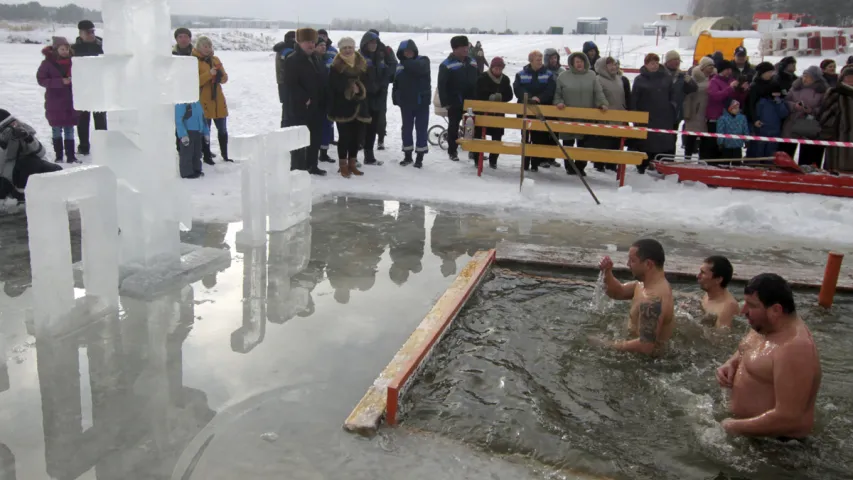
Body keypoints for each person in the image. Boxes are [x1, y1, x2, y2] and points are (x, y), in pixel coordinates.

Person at [716, 273, 821, 439]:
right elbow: (745, 349)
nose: (743, 311)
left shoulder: (794, 349)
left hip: (777, 449)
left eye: (751, 305)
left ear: (776, 310)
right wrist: (731, 362)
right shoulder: (764, 324)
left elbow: (789, 418)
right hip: (748, 433)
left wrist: (731, 426)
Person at [593, 239, 675, 356]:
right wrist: (607, 272)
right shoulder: (643, 285)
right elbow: (617, 292)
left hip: (647, 364)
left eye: (632, 260)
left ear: (648, 264)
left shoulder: (652, 299)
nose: (628, 264)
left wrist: (606, 344)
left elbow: (645, 347)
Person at [554, 52, 608, 176]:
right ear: (572, 63)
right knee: (568, 143)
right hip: (568, 116)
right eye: (577, 61)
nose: (579, 64)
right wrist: (559, 103)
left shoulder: (591, 75)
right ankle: (569, 166)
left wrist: (602, 103)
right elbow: (558, 95)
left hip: (586, 117)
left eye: (581, 61)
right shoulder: (563, 76)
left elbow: (598, 92)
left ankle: (580, 167)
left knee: (583, 144)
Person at [284, 28, 327, 176]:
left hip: (317, 105)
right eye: (308, 42)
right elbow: (290, 84)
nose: (311, 45)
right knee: (299, 139)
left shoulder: (316, 58)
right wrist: (304, 98)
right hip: (300, 107)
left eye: (313, 42)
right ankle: (298, 167)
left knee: (315, 137)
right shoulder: (292, 59)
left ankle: (312, 165)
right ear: (300, 42)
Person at [327, 36, 370, 178]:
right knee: (344, 137)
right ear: (340, 50)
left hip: (360, 106)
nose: (347, 50)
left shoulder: (362, 63)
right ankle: (343, 165)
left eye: (350, 47)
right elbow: (333, 85)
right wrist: (350, 88)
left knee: (356, 138)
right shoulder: (336, 66)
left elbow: (368, 82)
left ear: (354, 48)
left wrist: (360, 89)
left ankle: (352, 163)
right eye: (344, 48)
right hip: (342, 107)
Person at [0, 109, 63, 201]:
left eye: (13, 124)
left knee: (56, 170)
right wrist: (3, 145)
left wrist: (29, 139)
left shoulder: (22, 130)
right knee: (27, 165)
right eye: (8, 127)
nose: (13, 128)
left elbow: (41, 152)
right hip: (7, 175)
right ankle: (20, 196)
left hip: (29, 166)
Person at [36, 36, 79, 164]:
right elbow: (41, 80)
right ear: (56, 50)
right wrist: (60, 82)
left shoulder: (75, 62)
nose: (65, 51)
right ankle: (59, 155)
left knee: (70, 129)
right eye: (62, 49)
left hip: (70, 101)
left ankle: (71, 156)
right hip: (54, 101)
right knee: (56, 129)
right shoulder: (47, 64)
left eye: (67, 49)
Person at [437, 35, 479, 162]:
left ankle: (473, 151)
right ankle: (452, 151)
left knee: (471, 127)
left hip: (471, 100)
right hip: (454, 101)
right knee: (453, 127)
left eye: (466, 47)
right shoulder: (446, 64)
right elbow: (441, 85)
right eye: (462, 47)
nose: (466, 50)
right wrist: (446, 102)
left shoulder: (472, 61)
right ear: (455, 49)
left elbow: (478, 79)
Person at [513, 50, 556, 171]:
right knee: (525, 137)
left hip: (541, 110)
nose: (540, 62)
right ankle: (525, 163)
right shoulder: (521, 74)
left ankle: (535, 163)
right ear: (531, 61)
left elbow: (550, 89)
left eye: (541, 60)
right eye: (537, 60)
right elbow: (517, 88)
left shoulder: (548, 74)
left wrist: (540, 98)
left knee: (539, 137)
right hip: (525, 109)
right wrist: (529, 97)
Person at [631, 53, 674, 172]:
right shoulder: (640, 79)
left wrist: (671, 107)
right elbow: (634, 98)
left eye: (656, 62)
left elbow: (672, 95)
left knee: (662, 141)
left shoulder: (666, 78)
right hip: (646, 115)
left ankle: (659, 165)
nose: (654, 66)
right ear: (646, 64)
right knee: (645, 141)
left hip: (663, 115)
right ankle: (642, 165)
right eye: (651, 63)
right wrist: (635, 114)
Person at [392, 39, 431, 168]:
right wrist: (395, 97)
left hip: (421, 102)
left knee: (421, 129)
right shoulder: (399, 65)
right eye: (405, 52)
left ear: (414, 51)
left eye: (410, 51)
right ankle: (407, 156)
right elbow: (396, 83)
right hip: (406, 104)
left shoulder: (423, 60)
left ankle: (419, 157)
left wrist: (404, 61)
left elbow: (418, 69)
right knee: (407, 129)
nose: (407, 53)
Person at [193, 36, 231, 164]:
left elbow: (225, 79)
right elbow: (195, 81)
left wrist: (221, 76)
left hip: (218, 100)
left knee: (223, 129)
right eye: (205, 46)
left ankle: (225, 155)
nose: (208, 49)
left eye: (209, 46)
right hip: (204, 100)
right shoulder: (194, 62)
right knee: (205, 129)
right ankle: (207, 155)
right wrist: (209, 74)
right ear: (199, 47)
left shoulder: (215, 60)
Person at [359, 31, 395, 166]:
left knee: (373, 126)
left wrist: (382, 86)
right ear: (365, 43)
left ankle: (369, 156)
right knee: (361, 127)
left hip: (378, 96)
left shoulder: (381, 56)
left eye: (375, 43)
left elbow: (388, 72)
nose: (373, 45)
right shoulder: (359, 57)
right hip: (364, 97)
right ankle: (353, 156)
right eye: (371, 43)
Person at [781, 65, 828, 166]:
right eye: (804, 75)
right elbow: (785, 101)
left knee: (808, 154)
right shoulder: (795, 87)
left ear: (816, 78)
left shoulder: (822, 91)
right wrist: (794, 106)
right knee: (787, 151)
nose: (805, 78)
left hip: (810, 124)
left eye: (808, 76)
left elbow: (825, 107)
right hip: (792, 122)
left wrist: (812, 110)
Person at [472, 57, 513, 169]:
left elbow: (509, 95)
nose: (498, 70)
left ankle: (493, 160)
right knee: (479, 136)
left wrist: (501, 97)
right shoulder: (483, 78)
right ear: (492, 67)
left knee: (497, 137)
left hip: (498, 114)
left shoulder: (505, 80)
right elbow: (477, 94)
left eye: (500, 68)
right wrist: (489, 97)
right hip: (483, 113)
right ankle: (477, 159)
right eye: (496, 68)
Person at [591, 56, 631, 172]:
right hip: (605, 115)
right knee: (604, 140)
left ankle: (612, 164)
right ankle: (599, 163)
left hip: (619, 114)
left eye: (615, 64)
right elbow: (598, 95)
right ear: (603, 67)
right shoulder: (598, 79)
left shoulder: (619, 79)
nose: (614, 67)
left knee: (616, 140)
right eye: (610, 65)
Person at [73, 19, 106, 157]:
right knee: (82, 120)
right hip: (82, 89)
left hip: (99, 87)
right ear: (81, 33)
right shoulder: (74, 48)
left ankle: (104, 145)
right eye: (88, 32)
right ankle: (84, 146)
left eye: (93, 31)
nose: (91, 34)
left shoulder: (102, 45)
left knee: (100, 119)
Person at [706, 60, 747, 161]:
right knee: (713, 144)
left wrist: (742, 90)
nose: (729, 71)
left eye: (730, 69)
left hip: (729, 118)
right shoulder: (714, 81)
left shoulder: (731, 80)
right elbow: (715, 97)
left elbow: (736, 99)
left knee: (726, 145)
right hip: (715, 117)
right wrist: (730, 88)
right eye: (727, 69)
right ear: (721, 70)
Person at [746, 63, 789, 158]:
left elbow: (783, 109)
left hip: (773, 124)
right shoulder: (755, 86)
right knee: (757, 148)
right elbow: (750, 105)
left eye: (772, 72)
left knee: (770, 150)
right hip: (760, 122)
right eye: (769, 72)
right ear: (762, 73)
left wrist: (778, 100)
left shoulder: (775, 85)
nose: (771, 74)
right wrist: (754, 120)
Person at [819, 65, 853, 172]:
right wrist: (829, 129)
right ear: (842, 78)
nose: (851, 79)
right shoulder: (835, 92)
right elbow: (826, 114)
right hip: (839, 133)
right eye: (848, 77)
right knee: (837, 164)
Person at [683, 57, 715, 160]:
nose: (711, 69)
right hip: (694, 111)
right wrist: (687, 113)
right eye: (709, 66)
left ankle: (703, 158)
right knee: (691, 137)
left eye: (712, 66)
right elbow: (687, 97)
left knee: (705, 138)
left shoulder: (713, 78)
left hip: (707, 111)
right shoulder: (694, 78)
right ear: (703, 67)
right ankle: (687, 158)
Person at [663, 50, 698, 142]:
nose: (677, 62)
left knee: (672, 138)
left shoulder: (682, 76)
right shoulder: (661, 74)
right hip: (662, 112)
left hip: (676, 112)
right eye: (675, 60)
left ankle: (671, 155)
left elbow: (692, 90)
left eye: (679, 60)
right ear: (668, 61)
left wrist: (690, 82)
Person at [697, 256, 739, 329]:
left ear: (718, 279)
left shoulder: (727, 307)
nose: (697, 276)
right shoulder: (708, 294)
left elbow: (720, 338)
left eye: (703, 273)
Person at [175, 101, 210, 179]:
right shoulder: (182, 103)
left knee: (197, 152)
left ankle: (196, 169)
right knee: (187, 152)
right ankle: (187, 172)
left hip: (198, 131)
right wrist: (183, 135)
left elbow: (203, 118)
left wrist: (206, 132)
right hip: (188, 131)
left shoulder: (197, 103)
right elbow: (178, 120)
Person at [315, 38, 337, 165]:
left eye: (324, 45)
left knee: (327, 125)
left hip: (328, 98)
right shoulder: (312, 60)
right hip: (316, 99)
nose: (323, 47)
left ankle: (324, 153)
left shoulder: (330, 60)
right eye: (320, 45)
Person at [273, 31, 297, 128]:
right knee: (288, 109)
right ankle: (286, 129)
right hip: (286, 83)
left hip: (282, 82)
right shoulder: (287, 51)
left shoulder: (282, 49)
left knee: (286, 107)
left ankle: (285, 126)